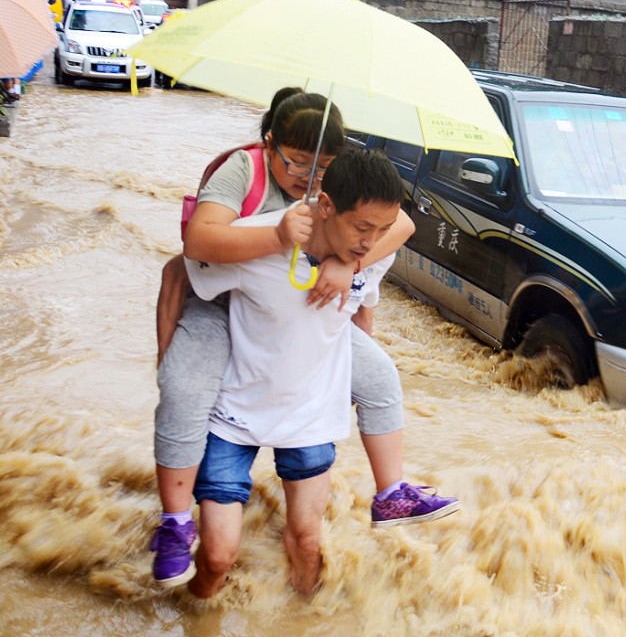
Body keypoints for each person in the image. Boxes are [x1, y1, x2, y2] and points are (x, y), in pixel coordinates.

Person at [150, 90, 457, 588]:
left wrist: (348, 259)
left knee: (379, 377)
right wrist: (165, 355)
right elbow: (189, 258)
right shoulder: (244, 179)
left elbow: (392, 234)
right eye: (297, 164)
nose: (308, 177)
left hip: (303, 382)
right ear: (269, 145)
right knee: (184, 390)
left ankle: (391, 492)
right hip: (231, 297)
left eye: (322, 167)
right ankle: (175, 521)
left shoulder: (356, 228)